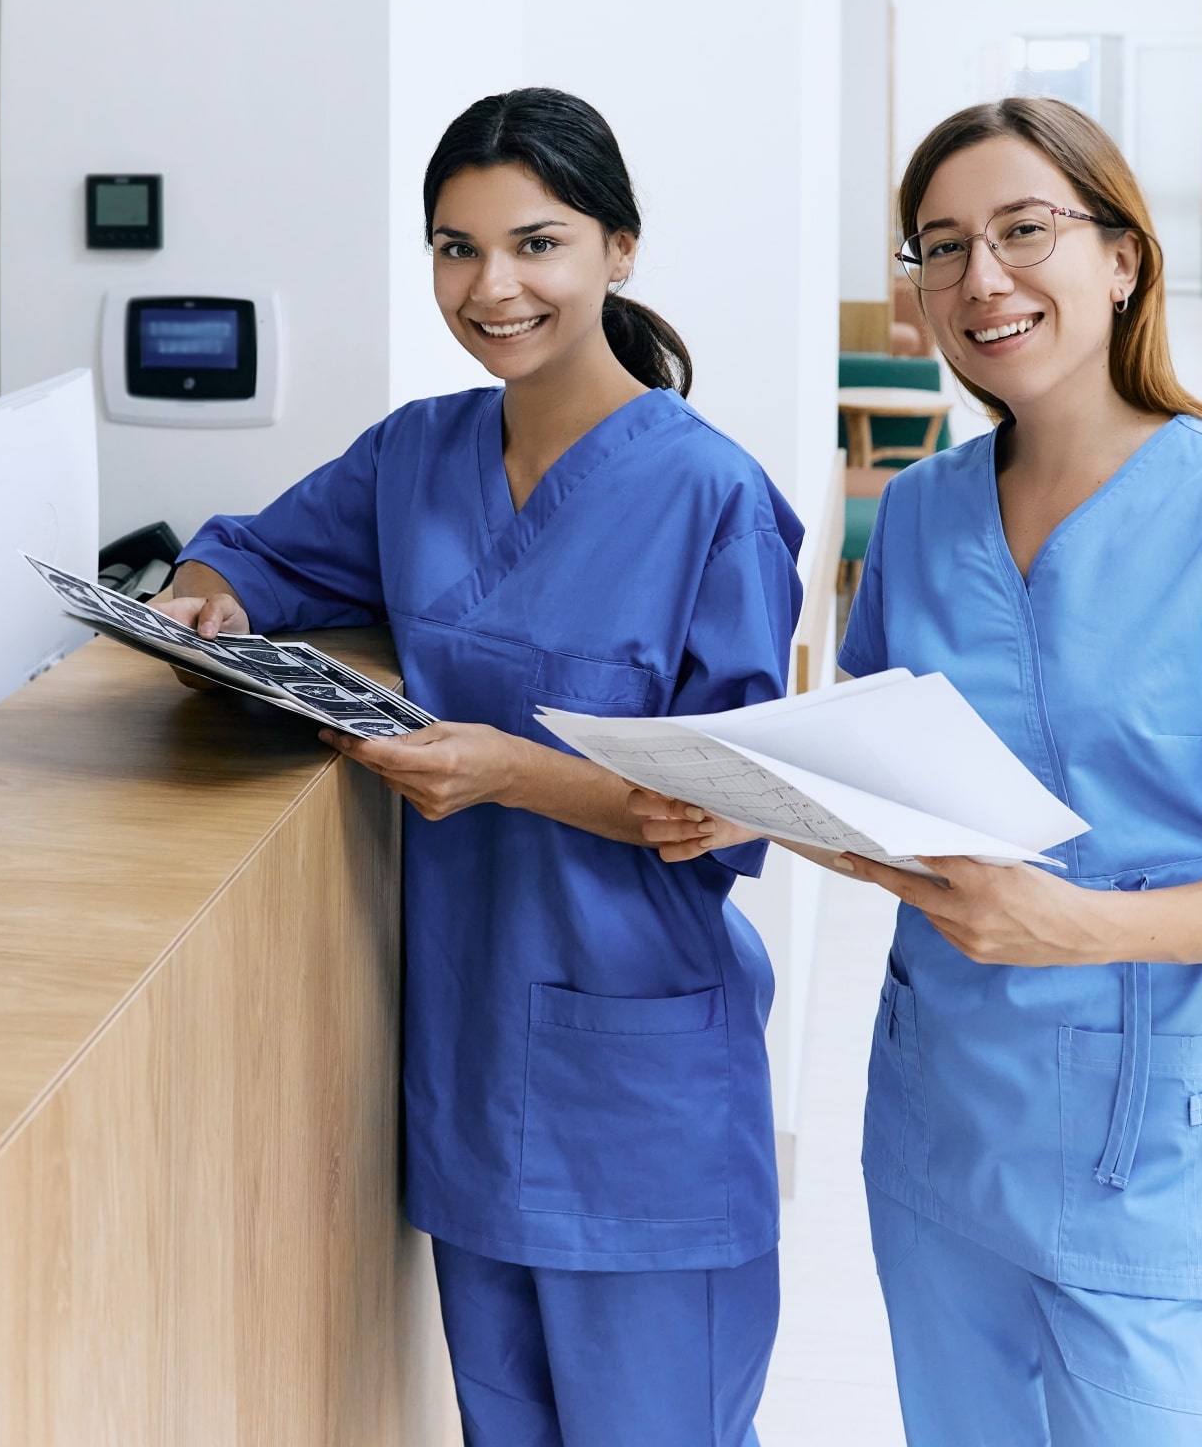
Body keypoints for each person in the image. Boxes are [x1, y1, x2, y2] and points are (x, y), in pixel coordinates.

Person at [643, 98, 1202, 1445]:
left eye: (1024, 230)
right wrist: (746, 795)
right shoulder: (921, 512)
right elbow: (894, 806)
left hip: (1159, 1146)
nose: (982, 278)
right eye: (942, 247)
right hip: (946, 1126)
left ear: (1122, 258)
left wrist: (1079, 926)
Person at [149, 89, 800, 1445]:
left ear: (619, 251)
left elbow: (737, 811)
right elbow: (255, 549)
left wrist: (514, 770)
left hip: (642, 1102)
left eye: (536, 244)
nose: (491, 286)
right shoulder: (418, 455)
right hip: (469, 1075)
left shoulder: (711, 501)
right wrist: (199, 595)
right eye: (456, 248)